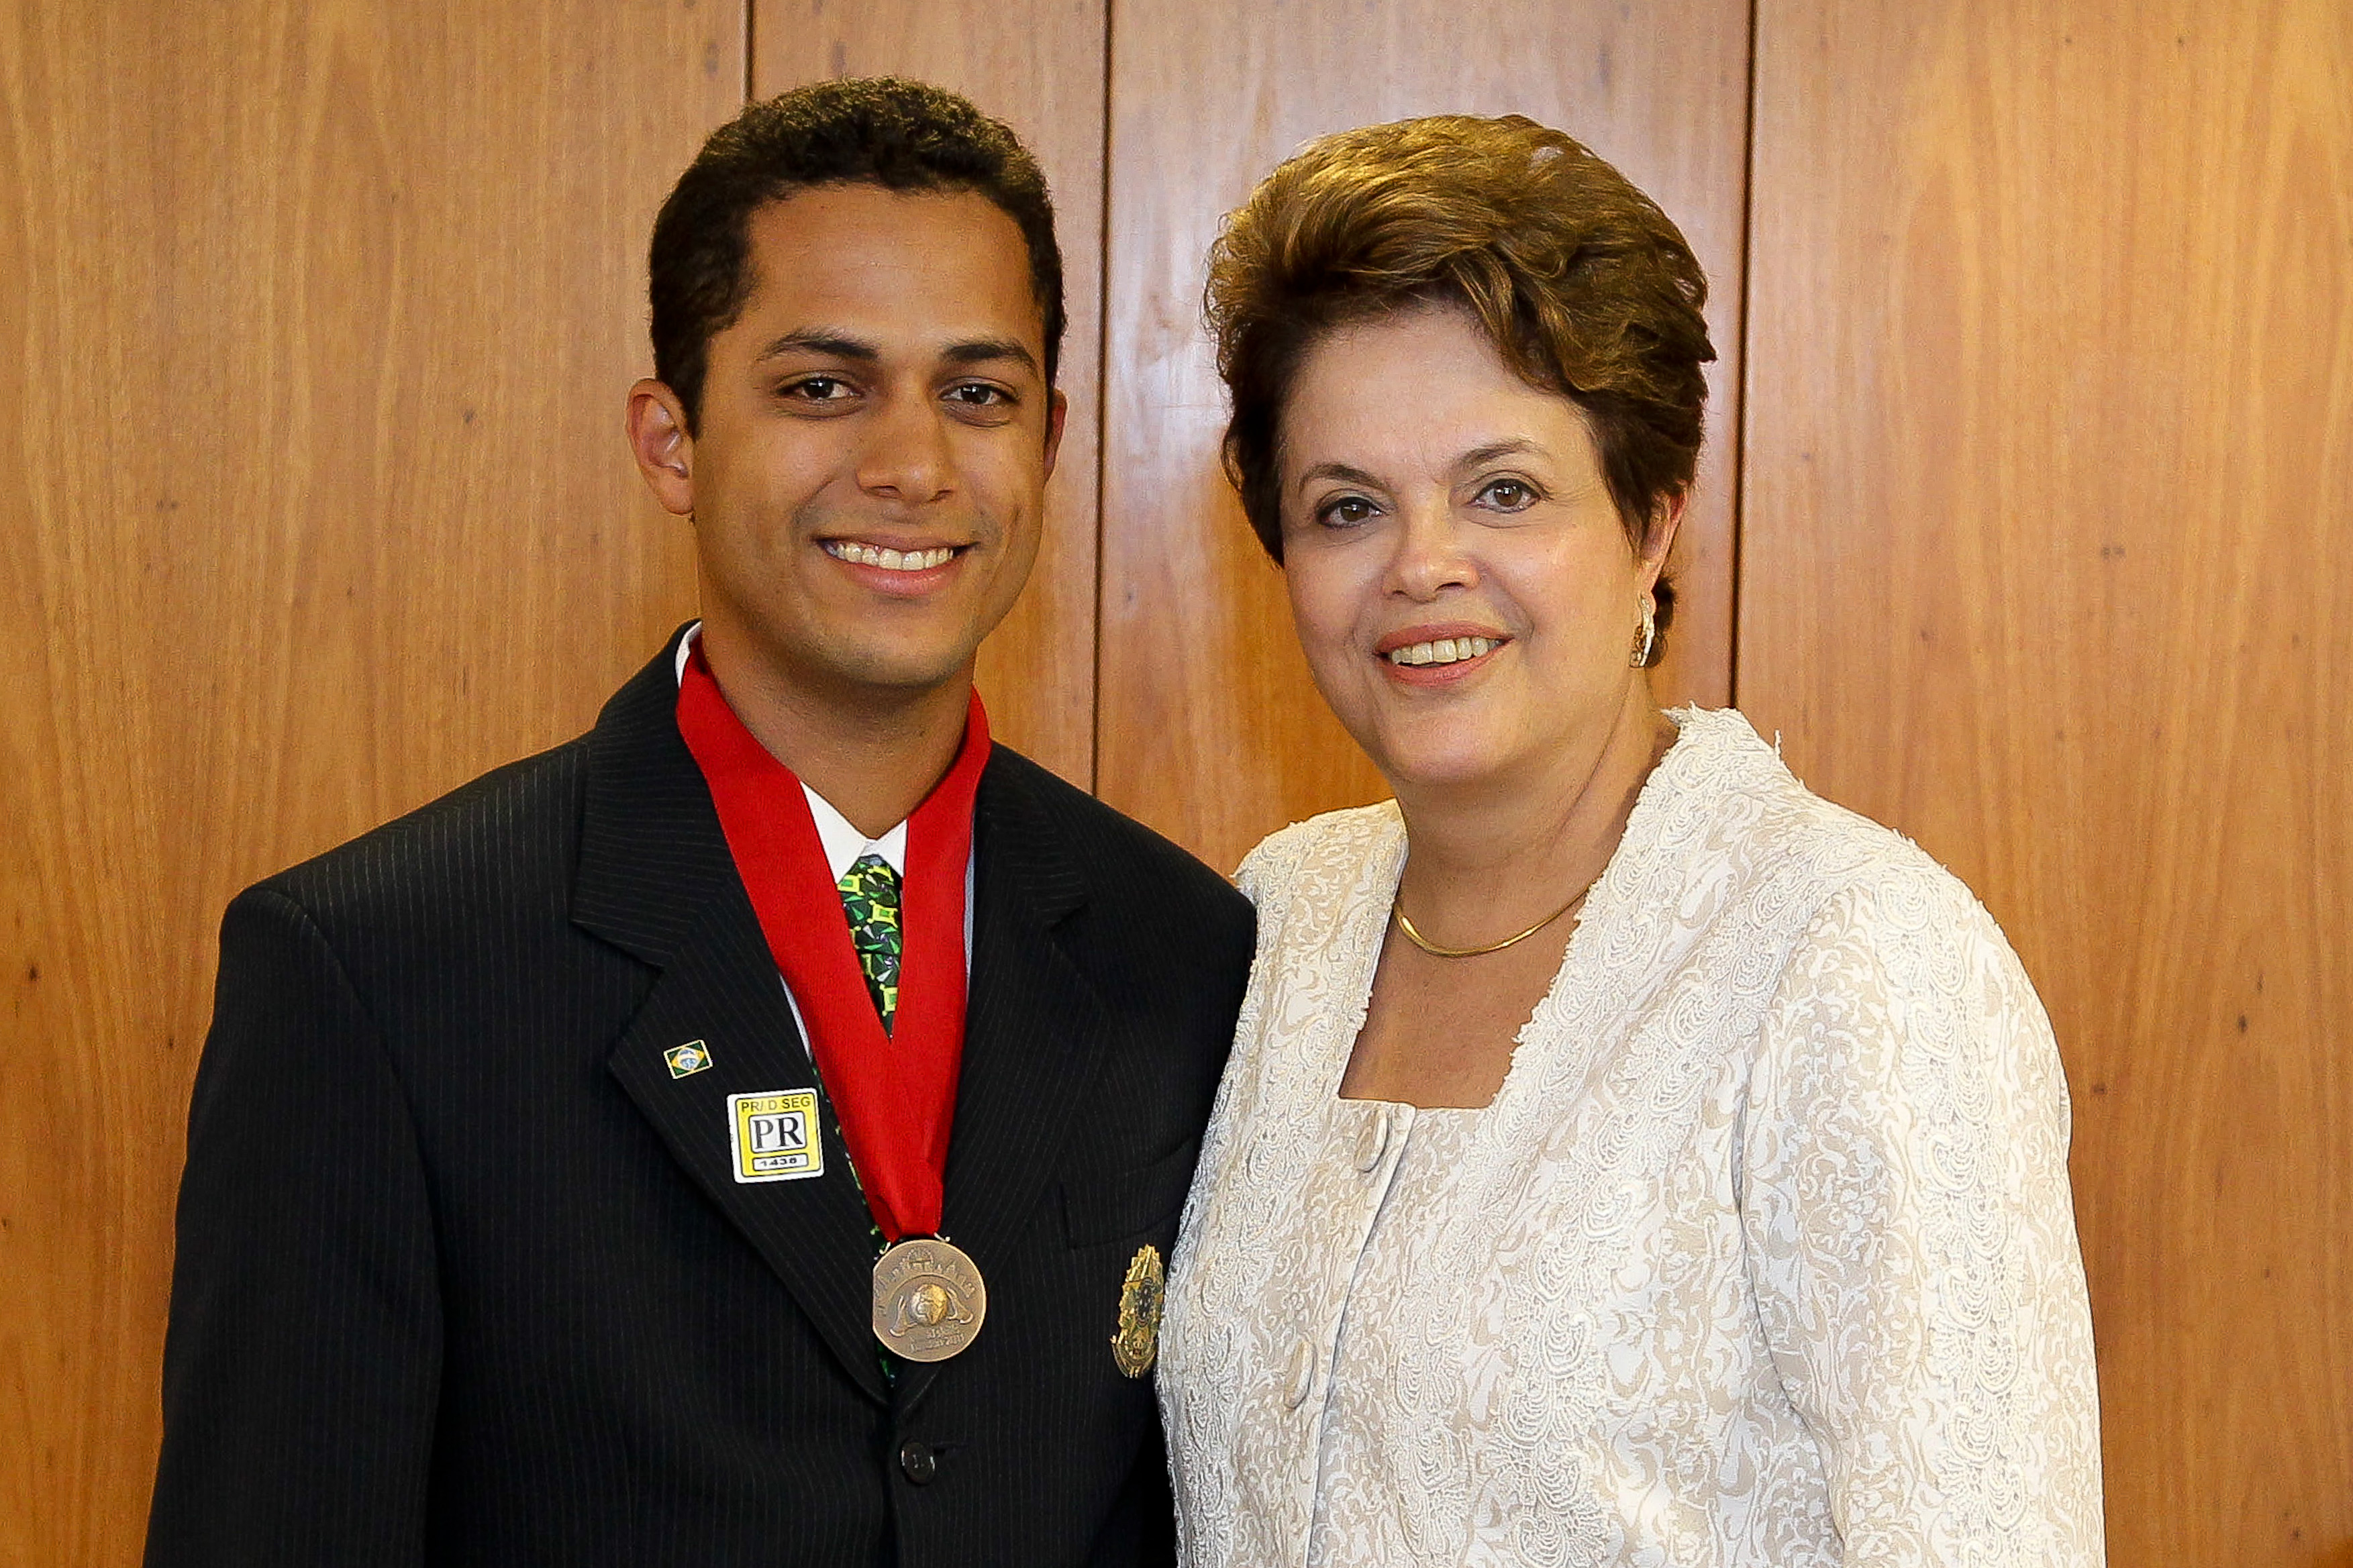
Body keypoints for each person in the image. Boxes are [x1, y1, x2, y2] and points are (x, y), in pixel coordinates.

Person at [147, 78, 1251, 1567]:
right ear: (671, 440)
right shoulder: (377, 971)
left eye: (976, 392)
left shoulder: (1183, 950)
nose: (913, 463)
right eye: (822, 386)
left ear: (1048, 442)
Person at [1156, 115, 2103, 1566]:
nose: (1421, 566)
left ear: (1652, 522)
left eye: (1503, 490)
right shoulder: (1276, 916)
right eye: (1346, 506)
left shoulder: (1854, 958)